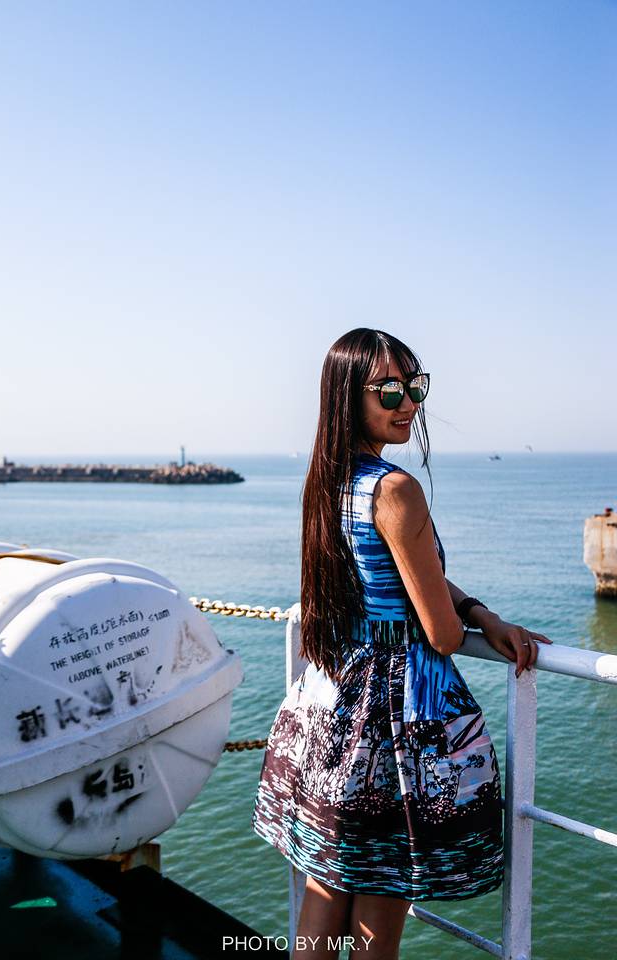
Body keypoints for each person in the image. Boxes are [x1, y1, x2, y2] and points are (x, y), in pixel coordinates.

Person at [251, 328, 552, 959]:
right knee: (378, 917)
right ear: (348, 396)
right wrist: (474, 622)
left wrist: (477, 608)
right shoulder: (396, 489)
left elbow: (405, 576)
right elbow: (441, 634)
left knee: (327, 890)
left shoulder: (330, 481)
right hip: (394, 721)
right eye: (389, 390)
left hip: (332, 701)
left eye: (415, 386)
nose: (409, 403)